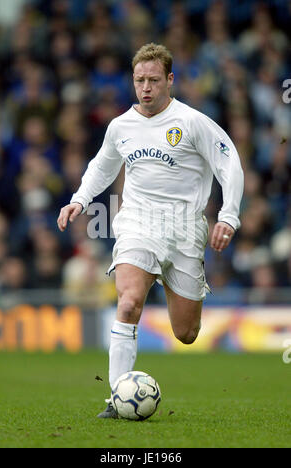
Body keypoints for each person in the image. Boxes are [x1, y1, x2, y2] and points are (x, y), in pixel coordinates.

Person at [57, 43, 244, 418]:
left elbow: (231, 165)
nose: (146, 87)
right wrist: (79, 199)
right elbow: (102, 166)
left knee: (186, 333)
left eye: (154, 80)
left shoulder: (191, 122)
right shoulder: (121, 126)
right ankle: (116, 398)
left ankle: (173, 282)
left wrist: (228, 216)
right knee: (127, 302)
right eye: (140, 80)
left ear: (170, 80)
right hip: (138, 222)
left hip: (185, 228)